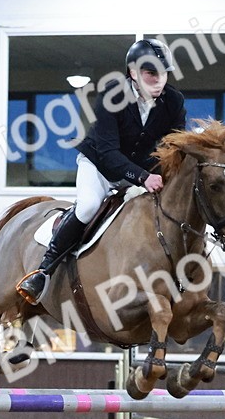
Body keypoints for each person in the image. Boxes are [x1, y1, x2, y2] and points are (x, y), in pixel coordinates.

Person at [16, 38, 187, 305]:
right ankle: (43, 271)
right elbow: (108, 152)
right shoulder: (113, 95)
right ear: (133, 72)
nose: (159, 80)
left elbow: (174, 146)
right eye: (150, 73)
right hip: (100, 167)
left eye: (163, 73)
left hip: (140, 174)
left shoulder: (174, 100)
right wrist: (144, 177)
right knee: (88, 207)